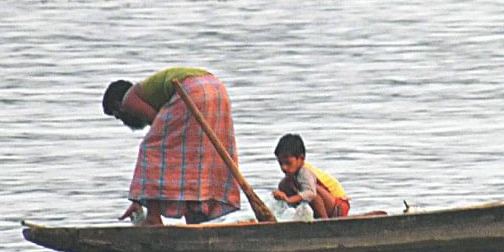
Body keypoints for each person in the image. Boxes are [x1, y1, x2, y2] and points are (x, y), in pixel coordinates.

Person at [102, 67, 240, 225]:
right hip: (216, 89)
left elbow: (161, 134)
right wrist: (137, 202)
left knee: (151, 150)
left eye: (118, 116)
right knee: (195, 153)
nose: (122, 120)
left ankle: (153, 217)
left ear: (118, 106)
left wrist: (140, 199)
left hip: (192, 90)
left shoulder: (129, 100)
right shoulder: (152, 96)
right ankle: (194, 216)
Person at [271, 133, 350, 219]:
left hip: (339, 206)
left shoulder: (305, 172)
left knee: (311, 193)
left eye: (288, 163)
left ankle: (325, 222)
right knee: (284, 185)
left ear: (301, 158)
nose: (284, 167)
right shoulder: (292, 176)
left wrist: (289, 199)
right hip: (326, 203)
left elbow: (311, 194)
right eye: (281, 163)